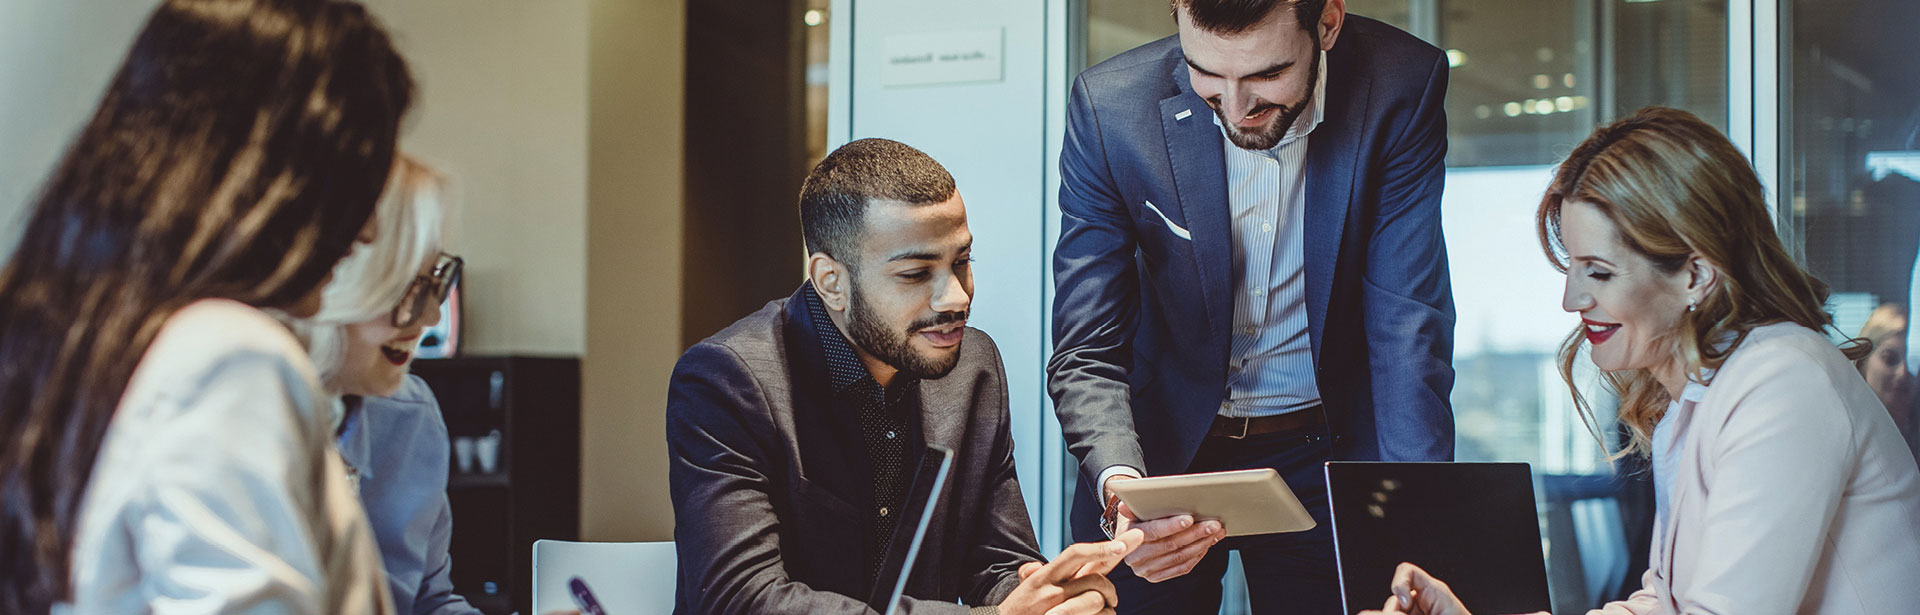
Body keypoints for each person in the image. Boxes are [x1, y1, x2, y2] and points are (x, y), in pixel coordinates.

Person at [1360, 107, 1920, 615]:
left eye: (1598, 271)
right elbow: (1665, 603)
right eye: (1572, 269)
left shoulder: (1784, 383)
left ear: (1696, 276)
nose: (1572, 300)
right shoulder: (1695, 398)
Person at [0, 0, 415, 613]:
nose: (369, 232)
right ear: (272, 174)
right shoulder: (227, 354)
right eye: (356, 180)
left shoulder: (85, 351)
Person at [1050, 0, 1455, 610]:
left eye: (1266, 74)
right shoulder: (1112, 108)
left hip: (1324, 452)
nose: (1236, 108)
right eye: (1205, 72)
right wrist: (1123, 492)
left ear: (1328, 23)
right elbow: (1087, 348)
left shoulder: (1400, 83)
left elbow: (1406, 325)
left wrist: (1411, 518)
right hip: (1158, 461)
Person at [669, 138, 1142, 614]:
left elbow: (998, 563)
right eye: (916, 274)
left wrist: (1051, 598)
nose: (955, 298)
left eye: (961, 262)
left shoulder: (972, 366)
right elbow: (742, 601)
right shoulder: (727, 379)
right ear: (831, 282)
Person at [298, 156, 476, 615]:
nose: (430, 317)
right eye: (404, 286)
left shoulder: (411, 417)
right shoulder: (238, 418)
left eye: (437, 282)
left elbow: (428, 604)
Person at [1856, 304, 1920, 467]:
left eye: (1913, 364)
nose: (1903, 373)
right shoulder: (1849, 443)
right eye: (1889, 358)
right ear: (1863, 365)